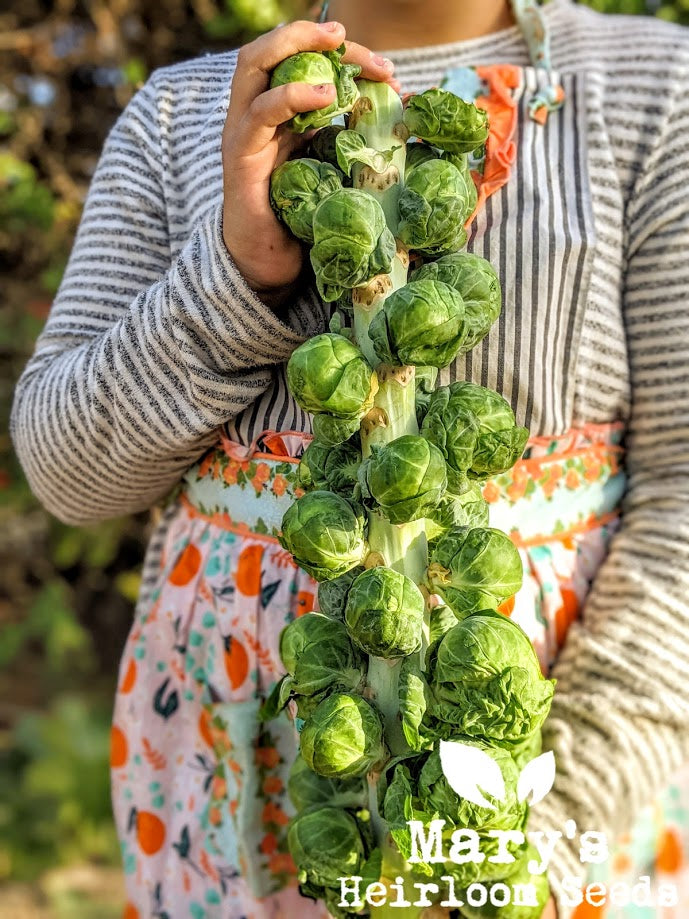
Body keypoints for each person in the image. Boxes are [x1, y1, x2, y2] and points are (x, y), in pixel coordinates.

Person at [10, 0, 689, 916]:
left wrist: (511, 839)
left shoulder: (653, 92)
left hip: (562, 773)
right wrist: (235, 272)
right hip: (231, 791)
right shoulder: (180, 116)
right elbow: (68, 472)